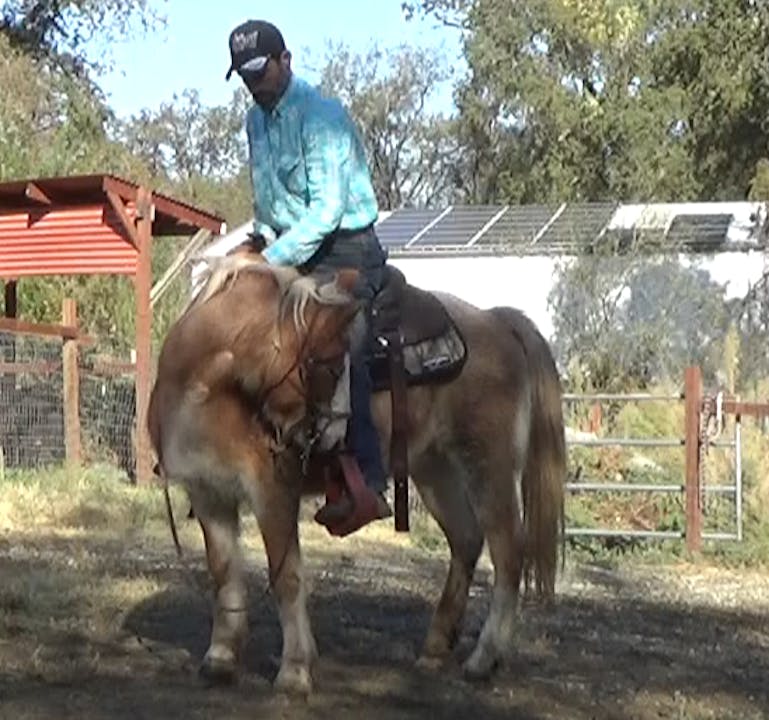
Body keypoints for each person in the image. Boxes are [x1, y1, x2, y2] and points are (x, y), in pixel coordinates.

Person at [225, 19, 391, 530]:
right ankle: (236, 455)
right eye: (246, 74)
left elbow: (327, 209)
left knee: (343, 338)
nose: (255, 83)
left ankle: (368, 476)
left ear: (285, 61)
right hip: (288, 245)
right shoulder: (255, 121)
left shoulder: (323, 118)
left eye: (261, 70)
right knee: (236, 312)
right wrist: (256, 245)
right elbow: (266, 199)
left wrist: (272, 259)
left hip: (346, 247)